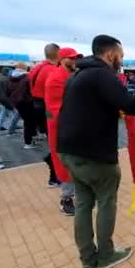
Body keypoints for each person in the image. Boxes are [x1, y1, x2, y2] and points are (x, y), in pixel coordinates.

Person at [58, 35, 135, 268]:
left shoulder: (78, 74)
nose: (122, 60)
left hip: (69, 151)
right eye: (120, 55)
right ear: (110, 54)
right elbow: (131, 105)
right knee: (106, 201)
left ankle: (88, 261)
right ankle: (106, 255)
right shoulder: (102, 75)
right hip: (94, 154)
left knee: (83, 204)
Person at [45, 47, 83, 216]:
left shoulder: (73, 75)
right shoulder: (55, 78)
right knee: (65, 162)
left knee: (76, 161)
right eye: (70, 58)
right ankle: (66, 199)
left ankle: (76, 195)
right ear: (61, 59)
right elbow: (56, 108)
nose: (74, 60)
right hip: (62, 128)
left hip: (73, 125)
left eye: (76, 57)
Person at [6, 63, 38, 149]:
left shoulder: (10, 78)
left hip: (17, 103)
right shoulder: (27, 78)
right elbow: (32, 90)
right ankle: (28, 142)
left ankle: (31, 140)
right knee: (29, 122)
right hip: (27, 102)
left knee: (27, 122)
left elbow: (7, 91)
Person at [0, 67, 20, 134]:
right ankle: (3, 125)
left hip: (0, 98)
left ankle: (1, 124)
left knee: (6, 111)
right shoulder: (5, 79)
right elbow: (7, 90)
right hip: (5, 98)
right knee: (13, 112)